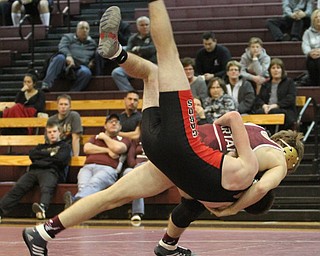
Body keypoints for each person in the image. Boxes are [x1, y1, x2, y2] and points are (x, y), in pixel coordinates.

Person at [22, 3, 304, 256]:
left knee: (153, 74)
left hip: (171, 153)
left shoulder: (253, 137)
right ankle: (129, 36)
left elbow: (230, 124)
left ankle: (42, 233)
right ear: (291, 154)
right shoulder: (273, 162)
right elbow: (261, 188)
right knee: (166, 52)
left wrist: (213, 125)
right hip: (175, 144)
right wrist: (230, 209)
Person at [0, 120, 71, 221]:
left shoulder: (64, 146)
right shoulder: (40, 147)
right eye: (49, 132)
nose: (52, 134)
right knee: (18, 188)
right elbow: (32, 155)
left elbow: (60, 160)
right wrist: (50, 155)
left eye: (54, 131)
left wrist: (42, 159)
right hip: (34, 171)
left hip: (51, 171)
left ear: (59, 132)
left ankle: (42, 208)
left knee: (47, 188)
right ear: (46, 134)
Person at [63, 113, 131, 208]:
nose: (114, 124)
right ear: (105, 126)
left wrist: (104, 137)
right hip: (87, 167)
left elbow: (119, 148)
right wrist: (107, 150)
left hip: (107, 169)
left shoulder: (123, 139)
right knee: (83, 186)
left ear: (120, 127)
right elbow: (87, 148)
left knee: (94, 183)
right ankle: (79, 207)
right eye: (111, 122)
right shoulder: (95, 138)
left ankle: (75, 202)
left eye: (117, 122)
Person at [41, 21, 97, 92]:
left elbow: (96, 55)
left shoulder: (92, 43)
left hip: (79, 67)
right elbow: (62, 46)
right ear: (77, 30)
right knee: (59, 58)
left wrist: (93, 61)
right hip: (65, 64)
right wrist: (68, 55)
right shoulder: (68, 37)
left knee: (86, 72)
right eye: (82, 28)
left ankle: (73, 92)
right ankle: (46, 84)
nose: (84, 30)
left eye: (87, 28)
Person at [110, 16, 157, 91]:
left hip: (152, 65)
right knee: (117, 72)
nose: (144, 27)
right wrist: (142, 51)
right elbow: (129, 52)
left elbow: (153, 49)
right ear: (137, 26)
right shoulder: (133, 38)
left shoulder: (155, 36)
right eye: (142, 25)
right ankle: (131, 93)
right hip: (136, 65)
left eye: (146, 24)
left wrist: (138, 49)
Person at [253, 58, 297, 132]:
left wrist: (276, 105)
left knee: (274, 112)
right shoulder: (266, 84)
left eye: (278, 68)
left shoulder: (289, 82)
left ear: (282, 70)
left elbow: (290, 98)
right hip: (267, 109)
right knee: (259, 113)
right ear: (270, 70)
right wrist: (264, 105)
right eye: (273, 68)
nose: (275, 70)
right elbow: (258, 99)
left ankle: (273, 136)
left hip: (285, 110)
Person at [0, 71, 46, 135]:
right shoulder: (22, 93)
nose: (26, 84)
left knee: (18, 107)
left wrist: (24, 108)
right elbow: (16, 102)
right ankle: (9, 128)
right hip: (18, 115)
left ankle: (22, 129)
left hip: (31, 115)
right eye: (24, 82)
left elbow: (40, 106)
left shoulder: (40, 93)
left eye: (29, 82)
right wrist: (21, 91)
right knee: (13, 108)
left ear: (34, 83)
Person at [47, 94, 82, 159]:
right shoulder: (51, 120)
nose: (63, 107)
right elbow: (48, 139)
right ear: (57, 106)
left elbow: (76, 138)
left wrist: (76, 157)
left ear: (70, 106)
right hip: (54, 147)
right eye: (61, 104)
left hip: (67, 148)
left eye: (66, 104)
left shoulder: (74, 116)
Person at [122, 137, 147, 222]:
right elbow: (130, 159)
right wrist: (136, 165)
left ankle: (137, 212)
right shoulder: (136, 141)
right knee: (127, 173)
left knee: (135, 177)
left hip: (151, 169)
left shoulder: (159, 140)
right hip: (136, 168)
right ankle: (137, 212)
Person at [301, 9, 320, 86]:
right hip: (312, 56)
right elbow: (305, 45)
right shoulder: (307, 33)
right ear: (313, 20)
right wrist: (310, 52)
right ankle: (315, 82)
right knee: (311, 61)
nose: (318, 18)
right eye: (316, 17)